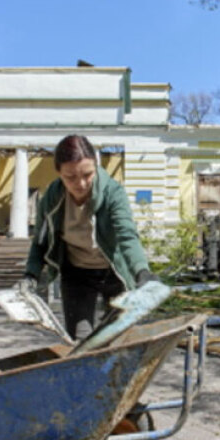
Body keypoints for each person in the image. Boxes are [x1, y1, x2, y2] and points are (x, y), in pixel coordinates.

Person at [21, 135, 154, 339]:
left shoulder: (113, 192)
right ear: (59, 173)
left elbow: (127, 235)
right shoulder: (51, 198)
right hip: (77, 274)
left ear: (96, 166)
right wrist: (30, 276)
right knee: (81, 340)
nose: (80, 184)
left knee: (117, 337)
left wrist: (142, 272)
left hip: (114, 272)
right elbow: (40, 242)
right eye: (70, 177)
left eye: (87, 174)